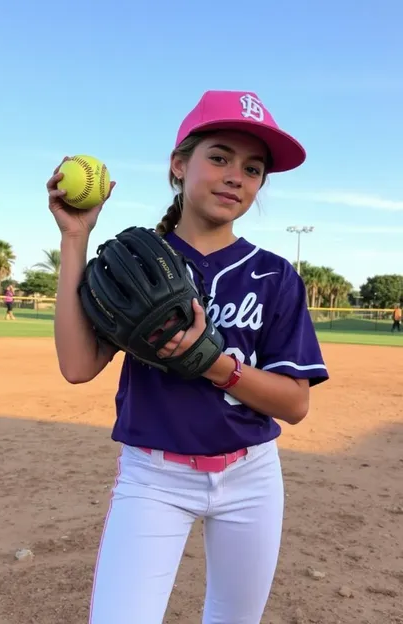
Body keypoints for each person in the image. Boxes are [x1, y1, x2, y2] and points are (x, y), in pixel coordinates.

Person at [46, 90, 329, 624]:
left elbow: (294, 404)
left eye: (253, 168)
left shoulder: (274, 275)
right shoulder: (135, 263)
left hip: (251, 479)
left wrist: (214, 363)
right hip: (154, 478)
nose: (235, 176)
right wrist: (75, 239)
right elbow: (78, 367)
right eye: (218, 157)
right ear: (179, 165)